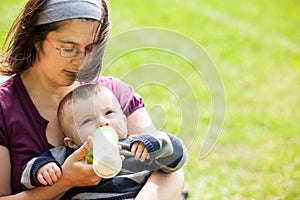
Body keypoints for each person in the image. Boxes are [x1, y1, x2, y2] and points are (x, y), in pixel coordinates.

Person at [0, 0, 184, 199]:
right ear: (36, 39)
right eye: (68, 48)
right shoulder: (4, 108)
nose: (81, 62)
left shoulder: (112, 94)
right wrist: (65, 182)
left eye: (91, 49)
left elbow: (170, 169)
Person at [21, 84, 187, 199]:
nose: (102, 122)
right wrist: (42, 168)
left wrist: (155, 144)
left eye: (109, 113)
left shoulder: (137, 147)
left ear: (124, 121)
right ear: (71, 142)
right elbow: (28, 173)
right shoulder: (70, 156)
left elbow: (178, 159)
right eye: (87, 121)